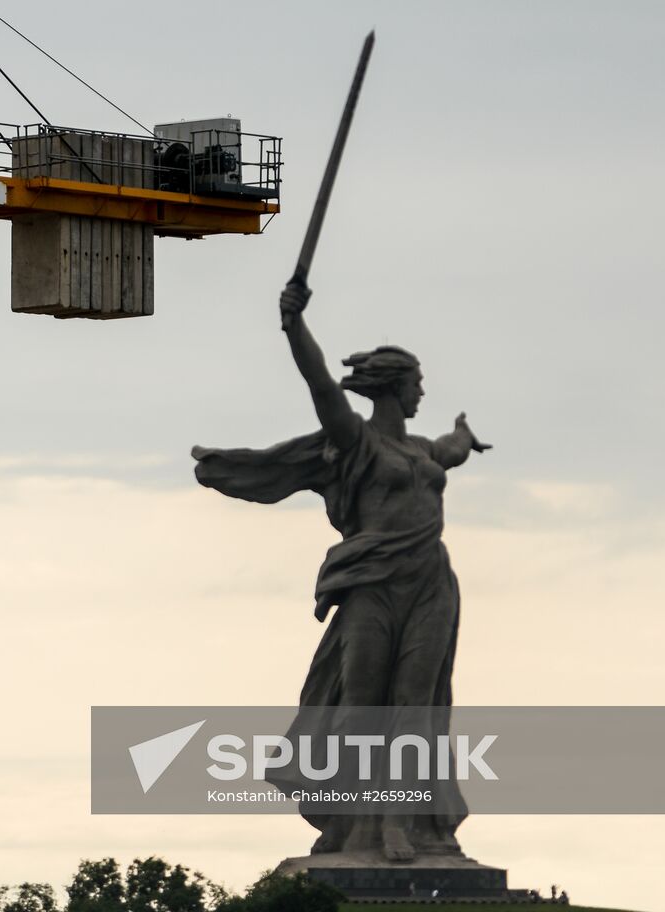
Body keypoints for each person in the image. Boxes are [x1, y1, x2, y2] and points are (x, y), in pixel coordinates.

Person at [193, 281, 490, 862]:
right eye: (417, 384)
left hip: (431, 585)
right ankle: (351, 820)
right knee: (361, 704)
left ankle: (399, 823)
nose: (422, 391)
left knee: (415, 703)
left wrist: (465, 435)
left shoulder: (425, 451)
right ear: (394, 387)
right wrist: (294, 326)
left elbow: (452, 448)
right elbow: (321, 385)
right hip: (371, 587)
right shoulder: (356, 443)